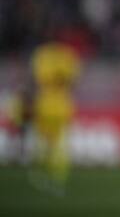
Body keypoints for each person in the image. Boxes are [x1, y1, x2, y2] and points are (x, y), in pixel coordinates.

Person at [28, 41, 81, 194]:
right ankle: (55, 179)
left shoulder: (42, 57)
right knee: (58, 148)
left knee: (46, 146)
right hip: (60, 107)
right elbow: (73, 82)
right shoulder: (67, 58)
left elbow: (36, 81)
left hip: (46, 106)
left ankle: (42, 175)